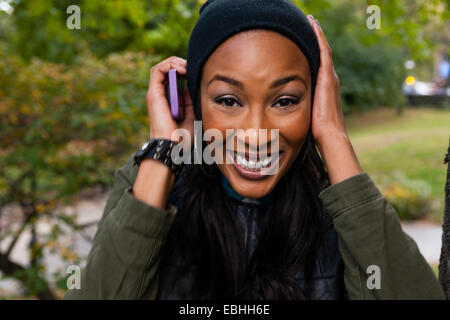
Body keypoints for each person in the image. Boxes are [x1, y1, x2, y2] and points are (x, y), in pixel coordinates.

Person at [65, 0, 445, 300]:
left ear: (316, 100)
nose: (256, 134)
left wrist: (332, 134)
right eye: (229, 100)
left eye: (285, 101)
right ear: (193, 100)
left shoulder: (345, 218)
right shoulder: (147, 193)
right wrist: (165, 152)